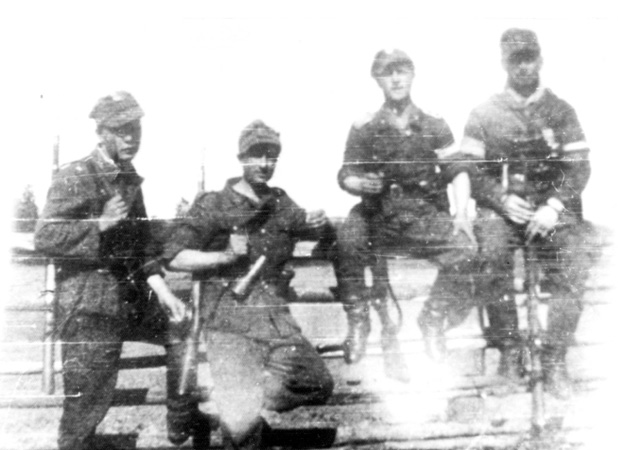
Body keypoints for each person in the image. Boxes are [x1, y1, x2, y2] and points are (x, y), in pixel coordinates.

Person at [34, 91, 209, 450]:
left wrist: (164, 293)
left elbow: (140, 246)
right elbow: (45, 236)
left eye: (135, 129)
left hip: (128, 299)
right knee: (85, 409)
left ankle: (180, 421)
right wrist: (98, 225)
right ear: (100, 133)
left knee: (182, 324)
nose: (131, 138)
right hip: (88, 307)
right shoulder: (76, 174)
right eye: (121, 130)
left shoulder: (128, 179)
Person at [162, 120, 334, 450]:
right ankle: (238, 405)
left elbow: (308, 227)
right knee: (242, 434)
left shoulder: (281, 202)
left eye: (271, 157)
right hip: (230, 324)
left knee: (316, 382)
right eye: (257, 156)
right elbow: (175, 257)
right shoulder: (213, 204)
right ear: (241, 158)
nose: (265, 164)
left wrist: (320, 222)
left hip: (275, 321)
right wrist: (225, 256)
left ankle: (237, 399)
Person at [459, 28, 594, 397]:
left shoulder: (561, 110)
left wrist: (554, 206)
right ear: (503, 63)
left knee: (575, 259)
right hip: (505, 210)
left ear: (540, 60)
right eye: (515, 60)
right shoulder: (484, 112)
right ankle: (510, 352)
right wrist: (500, 199)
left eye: (529, 58)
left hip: (552, 211)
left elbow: (579, 167)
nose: (523, 67)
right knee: (489, 254)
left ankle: (554, 359)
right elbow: (469, 168)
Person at [334, 49, 478, 381]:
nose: (396, 79)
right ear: (377, 80)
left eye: (402, 71)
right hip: (378, 215)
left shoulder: (433, 122)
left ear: (412, 75)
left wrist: (461, 213)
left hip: (422, 215)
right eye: (388, 73)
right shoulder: (365, 126)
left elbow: (457, 169)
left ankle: (433, 318)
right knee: (346, 239)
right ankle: (358, 319)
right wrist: (358, 183)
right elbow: (346, 173)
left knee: (465, 249)